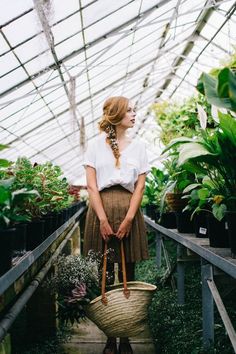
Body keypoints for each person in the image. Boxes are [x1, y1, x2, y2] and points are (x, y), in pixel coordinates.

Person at [83, 96, 149, 354]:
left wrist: (130, 218)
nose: (134, 114)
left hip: (128, 208)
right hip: (100, 209)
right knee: (105, 273)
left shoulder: (139, 146)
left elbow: (140, 186)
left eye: (134, 110)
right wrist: (101, 218)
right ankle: (110, 336)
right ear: (117, 115)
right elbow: (91, 185)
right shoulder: (95, 146)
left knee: (128, 274)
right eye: (129, 111)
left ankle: (125, 337)